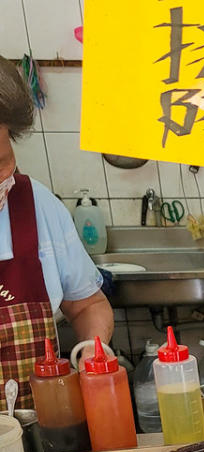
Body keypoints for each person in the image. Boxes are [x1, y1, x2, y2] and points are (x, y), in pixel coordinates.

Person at [0, 59, 113, 410]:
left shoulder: (35, 204)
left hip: (39, 438)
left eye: (1, 161)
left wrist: (92, 354)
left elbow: (87, 305)